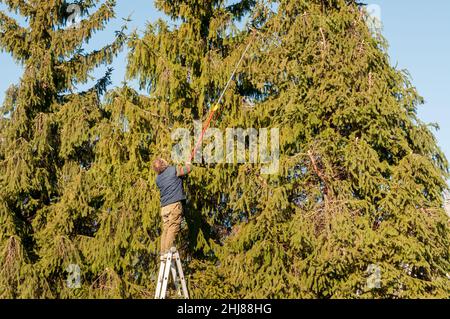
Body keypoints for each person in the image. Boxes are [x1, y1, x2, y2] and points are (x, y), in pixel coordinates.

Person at [152, 158, 192, 255]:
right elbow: (187, 169)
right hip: (173, 205)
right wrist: (188, 163)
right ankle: (167, 250)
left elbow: (174, 180)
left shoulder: (158, 179)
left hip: (164, 207)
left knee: (166, 229)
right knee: (173, 226)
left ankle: (163, 251)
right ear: (163, 163)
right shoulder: (173, 170)